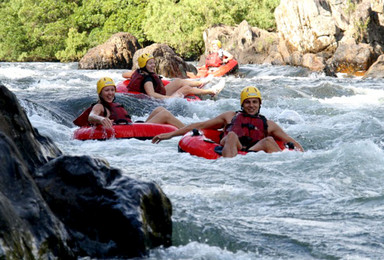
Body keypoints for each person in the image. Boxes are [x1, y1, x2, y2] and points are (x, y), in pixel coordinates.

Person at [152, 86, 304, 158]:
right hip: (232, 146)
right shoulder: (229, 116)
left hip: (252, 151)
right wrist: (169, 135)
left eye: (254, 102)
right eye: (248, 102)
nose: (251, 106)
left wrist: (302, 155)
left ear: (259, 104)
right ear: (242, 104)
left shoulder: (269, 124)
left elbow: (292, 142)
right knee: (231, 135)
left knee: (270, 140)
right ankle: (230, 169)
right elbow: (198, 126)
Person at [73, 77, 185, 129]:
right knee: (164, 114)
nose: (110, 93)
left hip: (133, 127)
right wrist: (101, 119)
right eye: (106, 90)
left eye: (112, 90)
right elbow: (91, 116)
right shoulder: (99, 106)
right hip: (129, 131)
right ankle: (188, 131)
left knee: (160, 109)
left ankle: (186, 129)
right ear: (100, 93)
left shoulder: (113, 104)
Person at [123, 53, 223, 99]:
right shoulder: (147, 79)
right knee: (186, 89)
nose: (153, 65)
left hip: (161, 92)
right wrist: (168, 99)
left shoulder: (139, 72)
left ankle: (201, 82)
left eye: (153, 63)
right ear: (144, 65)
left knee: (178, 81)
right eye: (150, 64)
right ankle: (212, 91)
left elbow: (124, 75)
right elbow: (151, 95)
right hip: (161, 101)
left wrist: (132, 75)